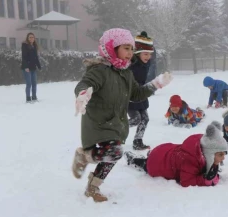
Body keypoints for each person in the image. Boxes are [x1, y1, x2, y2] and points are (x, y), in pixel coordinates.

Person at [71, 28, 172, 202]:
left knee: (112, 155)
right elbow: (85, 84)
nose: (130, 52)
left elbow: (136, 94)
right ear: (111, 47)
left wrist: (155, 84)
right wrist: (82, 94)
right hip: (99, 123)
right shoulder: (99, 70)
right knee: (115, 152)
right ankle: (84, 157)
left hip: (116, 123)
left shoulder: (126, 72)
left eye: (132, 49)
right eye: (126, 48)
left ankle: (93, 187)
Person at [124, 121, 228, 187]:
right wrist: (204, 180)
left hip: (165, 150)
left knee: (154, 157)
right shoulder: (191, 160)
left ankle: (148, 155)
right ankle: (134, 160)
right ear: (210, 154)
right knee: (146, 164)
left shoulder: (204, 145)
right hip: (158, 163)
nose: (223, 158)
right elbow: (186, 181)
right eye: (220, 155)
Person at [128, 31, 155, 150]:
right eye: (145, 54)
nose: (148, 57)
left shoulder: (147, 63)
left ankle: (137, 141)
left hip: (141, 94)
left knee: (145, 118)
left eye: (150, 54)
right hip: (130, 96)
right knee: (135, 119)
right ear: (137, 53)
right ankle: (115, 131)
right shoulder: (130, 64)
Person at [21, 32, 41, 103]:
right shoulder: (24, 45)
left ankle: (34, 97)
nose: (31, 38)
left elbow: (36, 57)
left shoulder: (34, 46)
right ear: (27, 38)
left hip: (33, 68)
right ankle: (28, 98)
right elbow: (24, 57)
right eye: (30, 37)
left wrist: (39, 66)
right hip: (27, 68)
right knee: (29, 83)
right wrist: (26, 67)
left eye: (33, 37)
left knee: (34, 83)